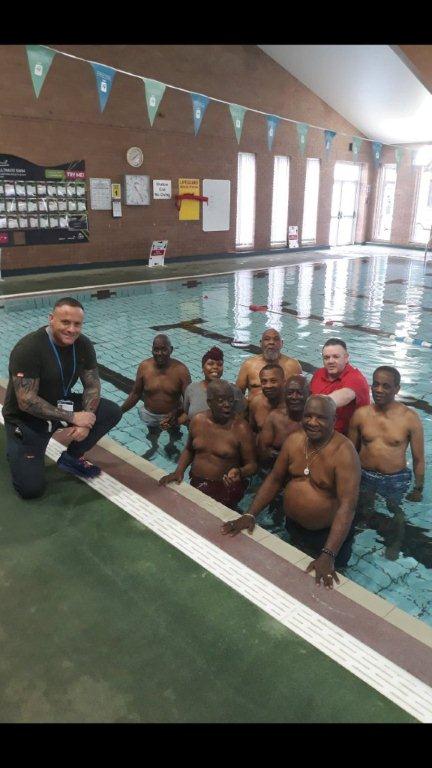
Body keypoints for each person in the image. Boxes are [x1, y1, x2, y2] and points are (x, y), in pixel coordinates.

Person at [222, 395, 361, 587]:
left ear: (334, 421)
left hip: (327, 535)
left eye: (320, 417)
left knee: (329, 585)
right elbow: (275, 479)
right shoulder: (294, 441)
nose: (312, 422)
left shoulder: (344, 452)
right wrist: (250, 514)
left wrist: (329, 553)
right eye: (308, 416)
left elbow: (348, 506)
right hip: (294, 527)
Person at [2, 297, 122, 498]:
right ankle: (16, 448)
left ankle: (72, 457)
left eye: (77, 324)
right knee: (31, 490)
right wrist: (74, 418)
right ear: (51, 319)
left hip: (59, 405)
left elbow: (92, 384)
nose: (71, 330)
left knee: (111, 412)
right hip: (26, 420)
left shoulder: (82, 344)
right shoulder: (29, 348)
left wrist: (86, 419)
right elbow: (26, 401)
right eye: (65, 322)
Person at [348, 366, 425, 560]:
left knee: (395, 511)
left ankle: (396, 540)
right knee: (362, 507)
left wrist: (418, 489)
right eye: (375, 384)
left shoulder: (410, 418)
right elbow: (349, 451)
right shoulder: (361, 414)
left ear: (397, 389)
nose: (379, 390)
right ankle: (360, 527)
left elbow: (418, 458)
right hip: (365, 474)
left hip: (395, 477)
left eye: (386, 386)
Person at [159, 379, 257, 510]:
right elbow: (189, 449)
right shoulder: (198, 421)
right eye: (221, 401)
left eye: (230, 400)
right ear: (210, 402)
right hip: (197, 481)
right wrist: (179, 471)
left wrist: (240, 472)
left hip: (226, 488)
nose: (227, 405)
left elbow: (252, 465)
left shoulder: (241, 429)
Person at [120, 334, 191, 459]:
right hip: (149, 414)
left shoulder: (181, 370)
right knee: (153, 433)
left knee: (174, 433)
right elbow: (135, 394)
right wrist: (119, 411)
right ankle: (154, 446)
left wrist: (175, 414)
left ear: (171, 349)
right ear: (152, 350)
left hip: (173, 415)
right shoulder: (144, 367)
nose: (159, 353)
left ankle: (171, 444)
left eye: (164, 349)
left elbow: (189, 401)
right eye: (156, 349)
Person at [310, 338, 370, 434]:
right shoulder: (319, 373)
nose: (330, 361)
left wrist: (309, 408)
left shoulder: (356, 378)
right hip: (318, 431)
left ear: (346, 358)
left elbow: (342, 396)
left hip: (345, 439)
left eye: (336, 357)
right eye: (326, 357)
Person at [179, 346, 245, 424]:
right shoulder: (192, 389)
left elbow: (240, 418)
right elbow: (187, 414)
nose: (215, 367)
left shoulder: (233, 390)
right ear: (202, 368)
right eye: (210, 364)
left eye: (219, 364)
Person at [236, 328, 301, 401]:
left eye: (276, 339)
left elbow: (302, 393)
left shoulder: (293, 366)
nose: (271, 342)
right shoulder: (249, 365)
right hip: (255, 411)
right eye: (267, 339)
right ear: (260, 343)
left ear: (281, 343)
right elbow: (237, 395)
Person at [258, 374, 308, 469]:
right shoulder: (275, 417)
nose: (294, 397)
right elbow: (263, 451)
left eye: (299, 393)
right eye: (290, 393)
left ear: (308, 394)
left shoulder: (314, 421)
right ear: (284, 395)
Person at [248, 364, 286, 434]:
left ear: (284, 382)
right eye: (264, 381)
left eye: (273, 381)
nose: (268, 386)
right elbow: (252, 432)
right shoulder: (256, 403)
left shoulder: (291, 406)